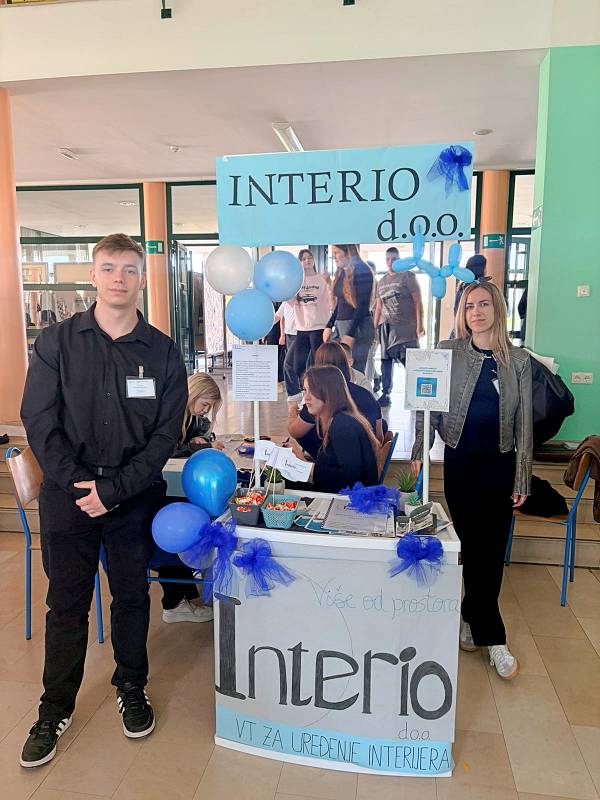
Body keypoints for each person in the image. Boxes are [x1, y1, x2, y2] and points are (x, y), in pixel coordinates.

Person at [19, 233, 188, 767]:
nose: (119, 278)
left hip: (132, 497)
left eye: (129, 269)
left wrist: (113, 491)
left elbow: (165, 436)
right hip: (68, 498)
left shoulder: (163, 352)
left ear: (142, 279)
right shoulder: (57, 342)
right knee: (65, 605)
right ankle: (54, 708)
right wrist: (82, 489)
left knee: (132, 598)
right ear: (93, 276)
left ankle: (131, 687)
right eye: (109, 268)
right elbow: (38, 420)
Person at [410, 280, 532, 681]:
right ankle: (475, 620)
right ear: (461, 314)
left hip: (501, 464)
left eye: (483, 305)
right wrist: (419, 449)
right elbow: (425, 405)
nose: (476, 313)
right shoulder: (447, 352)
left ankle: (489, 634)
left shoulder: (518, 360)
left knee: (491, 552)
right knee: (470, 548)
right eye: (468, 307)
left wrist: (522, 476)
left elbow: (524, 424)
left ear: (497, 309)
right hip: (461, 462)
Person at [158, 372, 225, 625]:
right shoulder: (171, 414)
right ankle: (175, 600)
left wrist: (202, 439)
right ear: (193, 394)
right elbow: (169, 448)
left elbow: (199, 433)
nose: (205, 411)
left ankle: (185, 592)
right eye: (205, 404)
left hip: (170, 489)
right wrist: (202, 446)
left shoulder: (188, 416)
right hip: (164, 500)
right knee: (184, 530)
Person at [287, 365, 380, 493]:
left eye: (312, 391)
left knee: (275, 480)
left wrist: (304, 466)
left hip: (349, 499)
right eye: (305, 390)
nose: (306, 398)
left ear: (328, 393)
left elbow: (349, 479)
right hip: (339, 492)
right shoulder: (339, 419)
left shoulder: (343, 425)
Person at [288, 341, 384, 458]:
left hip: (341, 459)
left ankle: (320, 460)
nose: (307, 396)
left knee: (305, 429)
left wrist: (292, 411)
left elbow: (295, 431)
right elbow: (379, 436)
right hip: (369, 455)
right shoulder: (366, 394)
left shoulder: (322, 398)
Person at [373, 246, 423, 407]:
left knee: (411, 365)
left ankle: (419, 397)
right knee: (385, 363)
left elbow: (417, 301)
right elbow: (379, 307)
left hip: (406, 330)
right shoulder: (382, 281)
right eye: (388, 259)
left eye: (394, 259)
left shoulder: (407, 276)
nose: (390, 262)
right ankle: (386, 394)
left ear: (399, 260)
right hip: (387, 329)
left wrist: (420, 325)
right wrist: (374, 329)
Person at [324, 244, 375, 374]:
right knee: (337, 368)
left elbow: (362, 305)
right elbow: (340, 303)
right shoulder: (342, 272)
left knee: (355, 370)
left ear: (348, 252)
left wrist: (350, 334)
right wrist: (329, 325)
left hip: (358, 325)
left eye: (337, 253)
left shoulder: (363, 270)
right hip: (341, 324)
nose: (334, 257)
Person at [290, 249, 331, 403]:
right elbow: (290, 301)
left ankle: (319, 394)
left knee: (318, 364)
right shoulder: (296, 281)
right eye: (303, 259)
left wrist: (329, 282)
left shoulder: (321, 278)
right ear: (300, 262)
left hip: (319, 326)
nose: (307, 261)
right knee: (298, 365)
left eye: (309, 258)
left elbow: (330, 300)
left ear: (313, 260)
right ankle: (305, 392)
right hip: (302, 327)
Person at [275, 299, 301, 403]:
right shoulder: (285, 302)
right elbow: (278, 317)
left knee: (290, 364)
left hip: (299, 334)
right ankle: (295, 392)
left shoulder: (300, 300)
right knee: (291, 363)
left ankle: (295, 393)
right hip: (289, 334)